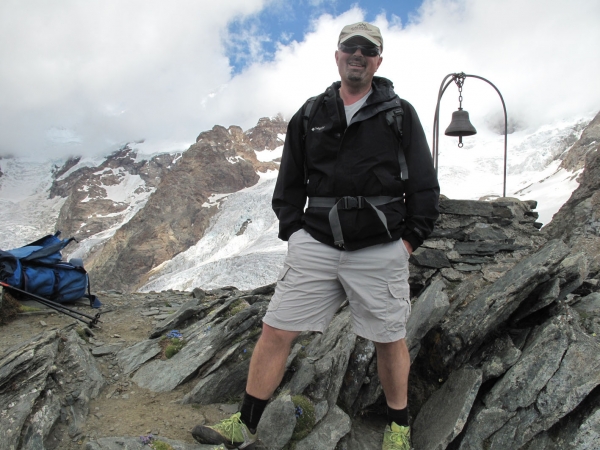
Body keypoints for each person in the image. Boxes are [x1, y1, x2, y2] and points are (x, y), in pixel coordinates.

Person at [192, 21, 440, 450]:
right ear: (338, 55)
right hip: (317, 244)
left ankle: (398, 429)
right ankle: (244, 423)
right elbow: (289, 181)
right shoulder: (311, 113)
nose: (358, 54)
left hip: (380, 247)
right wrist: (295, 233)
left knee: (389, 339)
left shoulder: (399, 114)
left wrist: (408, 242)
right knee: (276, 330)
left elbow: (423, 183)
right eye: (350, 47)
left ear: (378, 60)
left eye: (367, 49)